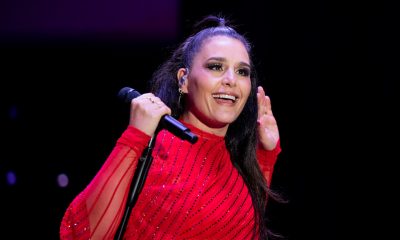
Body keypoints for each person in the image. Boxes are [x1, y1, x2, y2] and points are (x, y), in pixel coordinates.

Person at [60, 15, 282, 240]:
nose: (231, 80)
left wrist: (265, 156)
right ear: (183, 80)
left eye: (242, 71)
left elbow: (244, 228)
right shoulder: (154, 148)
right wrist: (134, 138)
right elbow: (83, 234)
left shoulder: (236, 165)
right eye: (216, 66)